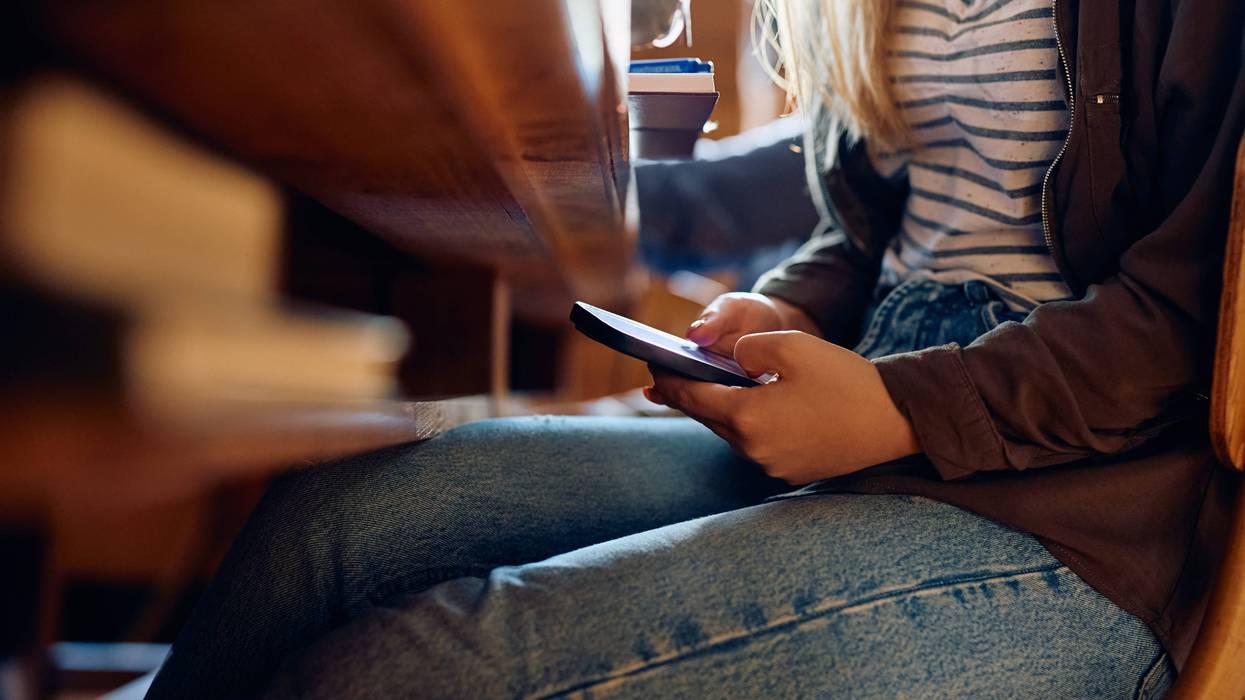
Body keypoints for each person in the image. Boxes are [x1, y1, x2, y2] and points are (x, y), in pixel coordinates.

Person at [146, 0, 1245, 697]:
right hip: (873, 412)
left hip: (1076, 515)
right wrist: (791, 314)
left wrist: (903, 407)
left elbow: (1187, 315)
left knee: (393, 673)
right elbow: (864, 227)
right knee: (330, 522)